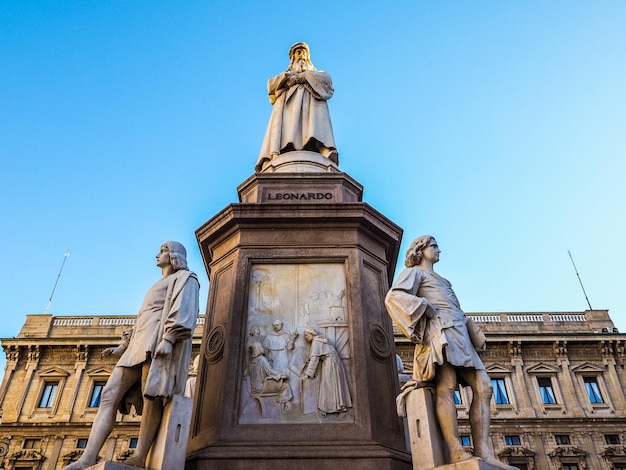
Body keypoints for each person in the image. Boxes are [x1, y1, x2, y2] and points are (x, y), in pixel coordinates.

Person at [64, 241, 199, 469]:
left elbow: (185, 309)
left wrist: (168, 339)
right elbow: (142, 318)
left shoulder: (186, 279)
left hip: (156, 342)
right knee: (109, 394)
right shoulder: (159, 283)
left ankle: (141, 455)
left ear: (174, 255)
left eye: (163, 251)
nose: (158, 255)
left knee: (151, 397)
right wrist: (123, 345)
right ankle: (88, 456)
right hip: (137, 344)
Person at [385, 236, 516, 470]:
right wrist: (424, 306)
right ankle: (456, 450)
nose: (439, 250)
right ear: (421, 250)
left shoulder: (444, 280)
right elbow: (394, 296)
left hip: (459, 332)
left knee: (484, 387)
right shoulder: (415, 273)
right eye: (434, 246)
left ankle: (484, 451)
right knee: (446, 386)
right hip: (440, 331)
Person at [256, 42, 338, 172]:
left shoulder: (316, 73)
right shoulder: (285, 74)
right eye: (298, 52)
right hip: (288, 104)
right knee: (288, 124)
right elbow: (271, 86)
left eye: (303, 52)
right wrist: (288, 79)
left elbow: (327, 81)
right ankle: (282, 149)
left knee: (315, 118)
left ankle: (323, 147)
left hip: (311, 103)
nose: (301, 54)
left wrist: (303, 76)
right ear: (293, 57)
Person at [303, 328, 352, 414]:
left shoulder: (317, 341)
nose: (305, 337)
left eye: (306, 335)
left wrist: (308, 374)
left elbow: (315, 359)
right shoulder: (320, 340)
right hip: (332, 361)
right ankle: (335, 406)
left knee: (329, 383)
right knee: (330, 384)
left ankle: (331, 408)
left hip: (330, 363)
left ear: (312, 334)